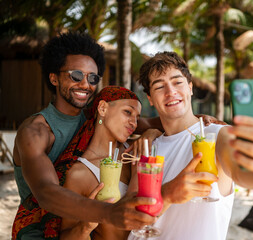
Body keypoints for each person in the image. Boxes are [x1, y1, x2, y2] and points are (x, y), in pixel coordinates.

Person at [127, 51, 253, 240]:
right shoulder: (148, 146)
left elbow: (244, 172)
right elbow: (128, 216)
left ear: (190, 88)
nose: (171, 91)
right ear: (150, 100)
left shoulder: (217, 135)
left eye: (177, 82)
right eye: (160, 86)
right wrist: (168, 194)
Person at [11, 32, 157, 240]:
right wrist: (108, 212)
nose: (85, 84)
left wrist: (200, 118)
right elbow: (47, 193)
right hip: (37, 232)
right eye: (76, 75)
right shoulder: (35, 131)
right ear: (54, 78)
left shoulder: (93, 117)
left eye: (93, 78)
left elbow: (150, 123)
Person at [59, 86, 161, 240]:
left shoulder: (135, 149)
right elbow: (66, 236)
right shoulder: (79, 174)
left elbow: (167, 135)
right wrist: (87, 225)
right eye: (128, 112)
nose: (134, 123)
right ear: (103, 108)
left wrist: (151, 132)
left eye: (137, 117)